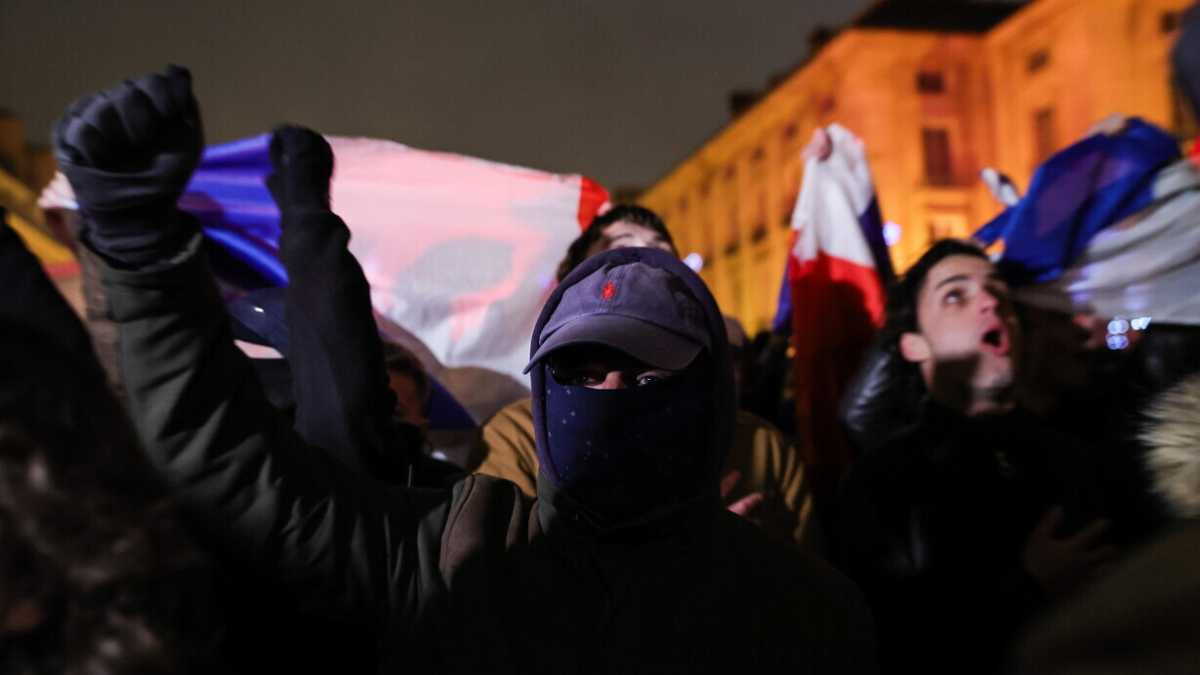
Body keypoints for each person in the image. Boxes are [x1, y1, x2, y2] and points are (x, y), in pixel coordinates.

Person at [56, 66, 876, 673]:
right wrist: (140, 251)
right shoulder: (454, 548)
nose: (615, 393)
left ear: (711, 394)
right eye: (583, 369)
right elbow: (229, 469)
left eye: (651, 368)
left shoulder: (810, 613)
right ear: (543, 387)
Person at [836, 239, 1112, 674]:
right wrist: (1027, 589)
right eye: (954, 295)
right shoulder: (882, 481)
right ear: (913, 345)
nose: (989, 302)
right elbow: (889, 639)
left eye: (998, 292)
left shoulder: (1080, 454)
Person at [477, 204, 823, 550]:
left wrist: (758, 556)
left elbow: (812, 585)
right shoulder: (517, 440)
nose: (641, 260)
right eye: (620, 248)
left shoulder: (762, 447)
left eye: (658, 251)